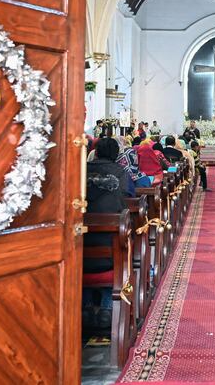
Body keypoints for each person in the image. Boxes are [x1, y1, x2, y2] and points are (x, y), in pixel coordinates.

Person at [83, 137, 134, 328]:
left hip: (79, 247)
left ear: (94, 152)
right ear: (117, 154)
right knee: (119, 242)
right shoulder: (121, 173)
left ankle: (85, 304)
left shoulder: (81, 171)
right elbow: (129, 198)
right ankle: (106, 307)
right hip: (109, 250)